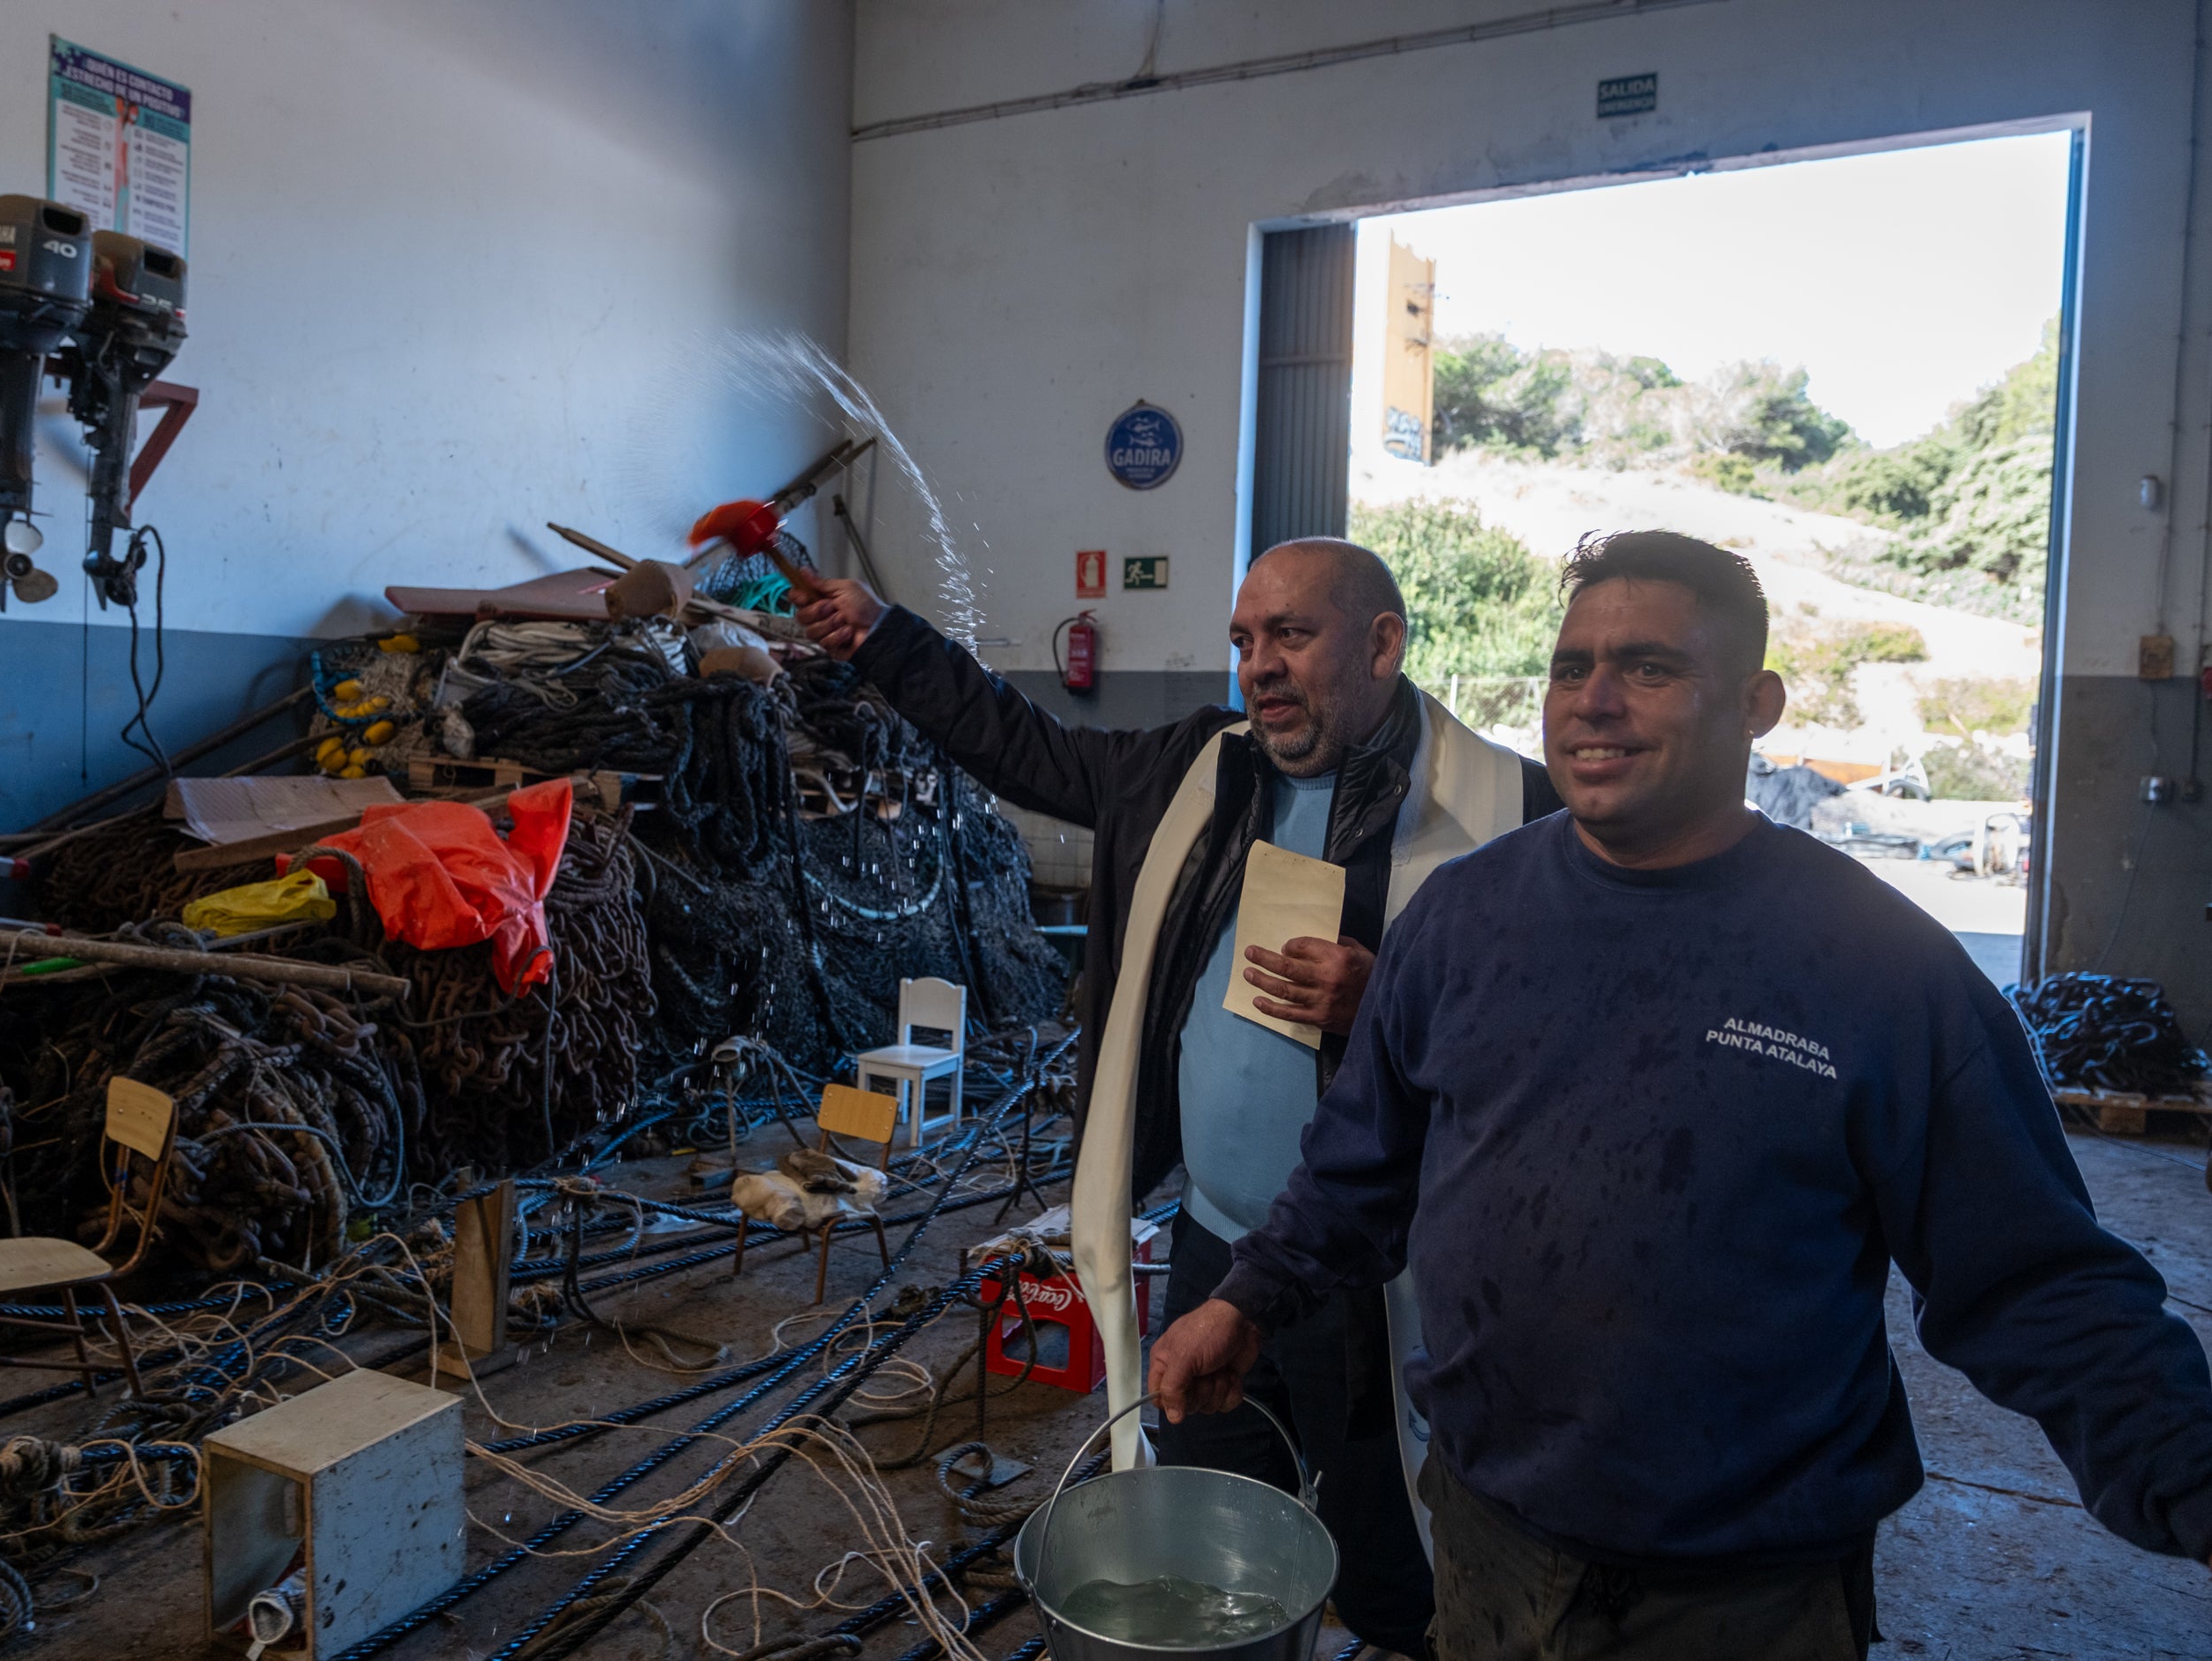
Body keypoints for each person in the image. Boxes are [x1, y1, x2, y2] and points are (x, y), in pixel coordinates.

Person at [1150, 530, 2212, 1661]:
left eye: (1650, 668)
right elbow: (1359, 1164)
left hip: (1745, 1591)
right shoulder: (1463, 921)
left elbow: (2036, 1279)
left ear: (1756, 705)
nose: (1594, 703)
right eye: (1571, 670)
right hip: (1486, 1536)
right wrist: (1248, 1298)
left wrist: (2185, 1469)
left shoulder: (1879, 968)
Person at [800, 539, 1563, 1658]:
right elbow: (1027, 749)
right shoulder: (1198, 772)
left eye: (1291, 636)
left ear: (1384, 644)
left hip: (1374, 1281)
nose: (1259, 667)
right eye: (1245, 641)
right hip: (1213, 1242)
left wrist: (1393, 998)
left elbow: (1569, 1043)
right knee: (1213, 1517)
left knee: (1397, 1558)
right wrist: (887, 640)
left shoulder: (1510, 814)